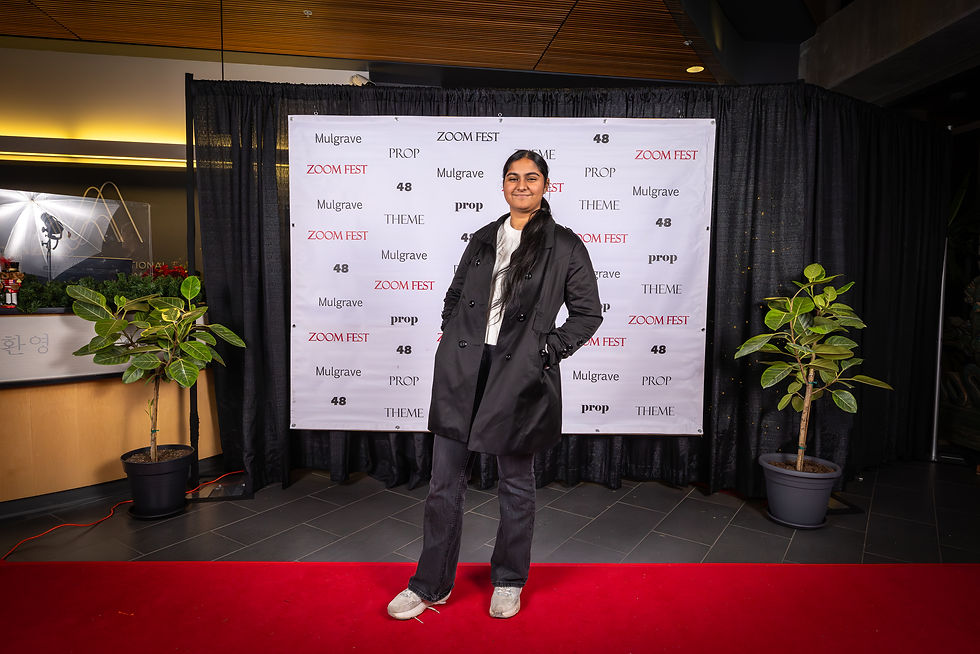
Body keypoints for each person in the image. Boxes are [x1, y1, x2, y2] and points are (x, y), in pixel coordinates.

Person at [387, 149, 603, 620]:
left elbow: (589, 314)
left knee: (515, 484)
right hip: (464, 370)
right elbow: (455, 291)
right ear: (502, 185)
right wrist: (451, 331)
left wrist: (545, 351)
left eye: (531, 178)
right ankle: (431, 584)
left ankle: (508, 579)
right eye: (512, 178)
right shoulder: (485, 238)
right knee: (443, 482)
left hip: (518, 373)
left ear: (546, 185)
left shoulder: (564, 245)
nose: (521, 185)